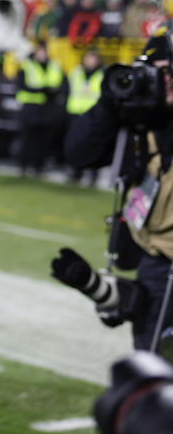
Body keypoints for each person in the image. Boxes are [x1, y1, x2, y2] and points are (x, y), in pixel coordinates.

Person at [61, 29, 173, 352]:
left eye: (170, 71)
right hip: (154, 261)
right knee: (152, 363)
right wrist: (110, 106)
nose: (162, 79)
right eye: (156, 71)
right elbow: (78, 154)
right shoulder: (141, 122)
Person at [15, 40, 65, 175]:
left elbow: (60, 85)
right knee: (28, 138)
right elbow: (21, 85)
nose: (42, 54)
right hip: (31, 107)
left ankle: (39, 166)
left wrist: (50, 92)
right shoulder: (27, 65)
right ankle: (24, 165)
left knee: (43, 139)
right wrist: (41, 90)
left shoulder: (55, 66)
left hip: (48, 107)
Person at [65, 47, 104, 185]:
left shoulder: (102, 75)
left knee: (93, 146)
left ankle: (93, 174)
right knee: (75, 144)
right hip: (76, 113)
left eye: (93, 58)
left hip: (93, 115)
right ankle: (75, 172)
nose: (90, 61)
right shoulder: (76, 73)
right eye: (88, 58)